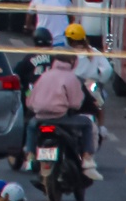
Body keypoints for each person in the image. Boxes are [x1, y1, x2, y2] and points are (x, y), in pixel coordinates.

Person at [25, 49, 100, 179]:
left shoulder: (45, 75)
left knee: (31, 127)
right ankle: (87, 159)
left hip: (40, 118)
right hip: (60, 118)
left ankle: (30, 156)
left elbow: (30, 100)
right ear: (72, 61)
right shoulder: (71, 77)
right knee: (87, 124)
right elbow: (76, 103)